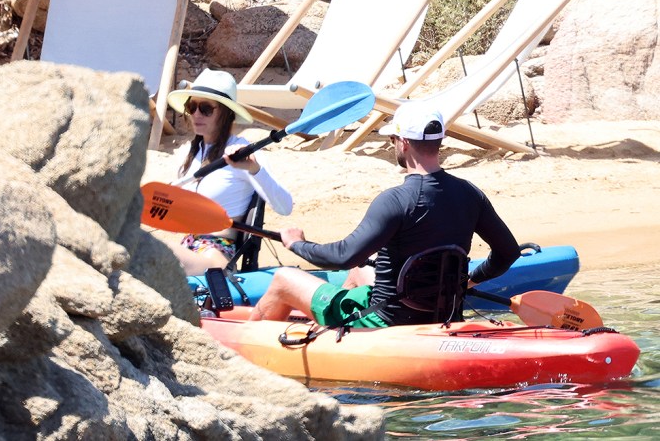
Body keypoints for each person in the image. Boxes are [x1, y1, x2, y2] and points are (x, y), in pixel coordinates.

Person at [249, 102, 520, 327]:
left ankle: (248, 344)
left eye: (392, 139)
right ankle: (332, 329)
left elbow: (342, 255)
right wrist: (467, 280)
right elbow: (507, 252)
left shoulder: (395, 200)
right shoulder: (470, 194)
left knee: (283, 278)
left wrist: (296, 243)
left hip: (385, 321)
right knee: (359, 269)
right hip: (445, 315)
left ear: (403, 143)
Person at [165, 68, 293, 275]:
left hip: (216, 252)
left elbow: (285, 207)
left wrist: (254, 169)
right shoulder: (188, 154)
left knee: (154, 253)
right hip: (188, 245)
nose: (196, 114)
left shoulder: (242, 153)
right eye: (192, 106)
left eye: (206, 108)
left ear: (225, 113)